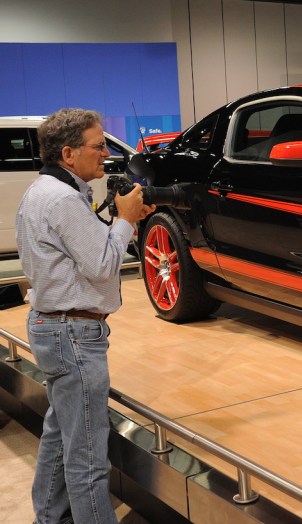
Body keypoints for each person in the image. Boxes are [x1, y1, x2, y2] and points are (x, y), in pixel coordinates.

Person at [15, 108, 155, 523]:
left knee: (59, 439)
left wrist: (120, 222)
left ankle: (50, 517)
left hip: (56, 328)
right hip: (73, 335)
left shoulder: (46, 191)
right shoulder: (61, 199)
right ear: (69, 153)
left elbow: (85, 252)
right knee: (88, 456)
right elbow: (102, 263)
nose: (106, 152)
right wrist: (126, 220)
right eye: (99, 145)